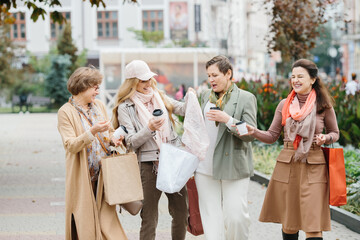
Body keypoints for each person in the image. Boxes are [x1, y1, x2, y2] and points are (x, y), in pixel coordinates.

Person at [237, 59, 339, 240]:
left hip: (314, 165)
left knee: (313, 224)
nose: (296, 80)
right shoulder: (284, 104)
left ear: (313, 79)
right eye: (293, 77)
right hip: (287, 164)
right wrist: (254, 131)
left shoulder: (323, 105)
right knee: (290, 223)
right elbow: (271, 136)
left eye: (300, 76)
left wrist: (326, 137)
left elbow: (335, 133)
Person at [112, 60, 195, 240]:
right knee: (149, 217)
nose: (148, 83)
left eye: (149, 79)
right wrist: (149, 128)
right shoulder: (125, 108)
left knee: (181, 213)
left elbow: (180, 108)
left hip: (172, 160)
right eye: (143, 81)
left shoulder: (159, 95)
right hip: (148, 165)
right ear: (132, 82)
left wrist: (192, 98)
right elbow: (131, 142)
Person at [57, 66, 127, 240]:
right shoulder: (65, 112)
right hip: (83, 178)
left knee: (108, 224)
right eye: (95, 87)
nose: (98, 91)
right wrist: (93, 131)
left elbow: (109, 132)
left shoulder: (99, 106)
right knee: (85, 225)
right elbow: (71, 145)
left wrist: (114, 139)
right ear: (82, 86)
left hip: (104, 175)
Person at [196, 55, 257, 240]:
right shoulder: (204, 96)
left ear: (228, 73)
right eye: (208, 76)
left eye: (215, 75)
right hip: (205, 167)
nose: (211, 80)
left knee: (236, 218)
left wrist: (228, 120)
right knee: (211, 220)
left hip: (234, 164)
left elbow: (250, 133)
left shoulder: (246, 98)